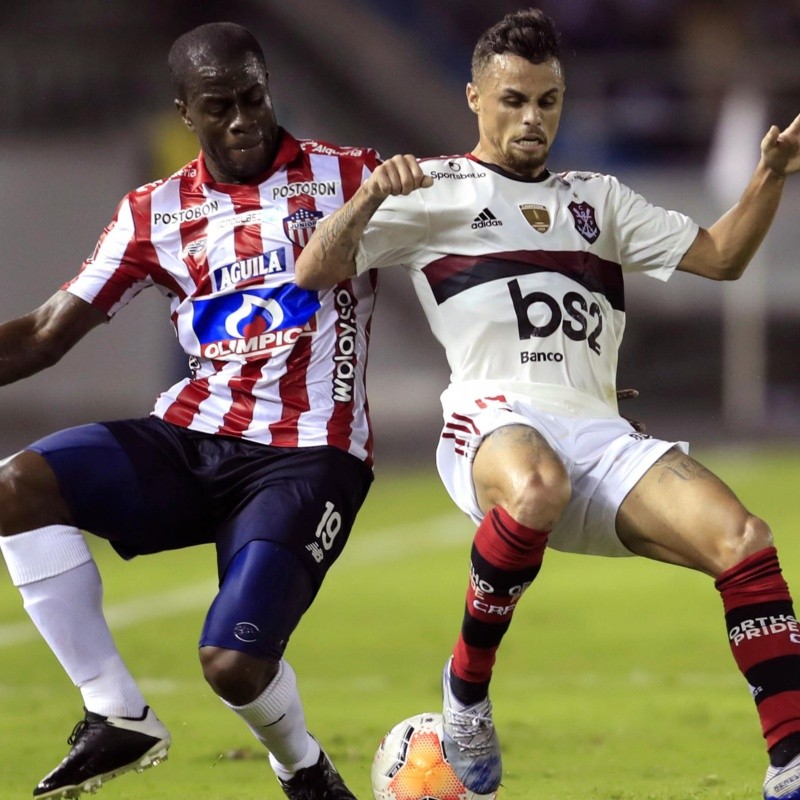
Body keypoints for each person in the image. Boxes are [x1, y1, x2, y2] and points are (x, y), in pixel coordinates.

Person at [295, 8, 800, 799]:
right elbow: (313, 272)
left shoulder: (598, 198)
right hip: (491, 422)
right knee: (536, 486)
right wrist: (363, 203)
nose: (532, 118)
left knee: (745, 539)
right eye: (513, 100)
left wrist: (771, 174)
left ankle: (791, 766)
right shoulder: (434, 191)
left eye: (548, 101)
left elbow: (723, 256)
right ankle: (465, 697)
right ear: (474, 98)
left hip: (600, 432)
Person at [0, 22, 379, 800]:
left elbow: (467, 247)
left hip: (311, 454)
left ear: (270, 90)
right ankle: (117, 712)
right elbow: (42, 336)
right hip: (193, 437)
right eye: (219, 106)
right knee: (16, 487)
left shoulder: (351, 177)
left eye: (254, 98)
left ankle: (302, 767)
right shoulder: (153, 212)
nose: (242, 120)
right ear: (185, 112)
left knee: (233, 664)